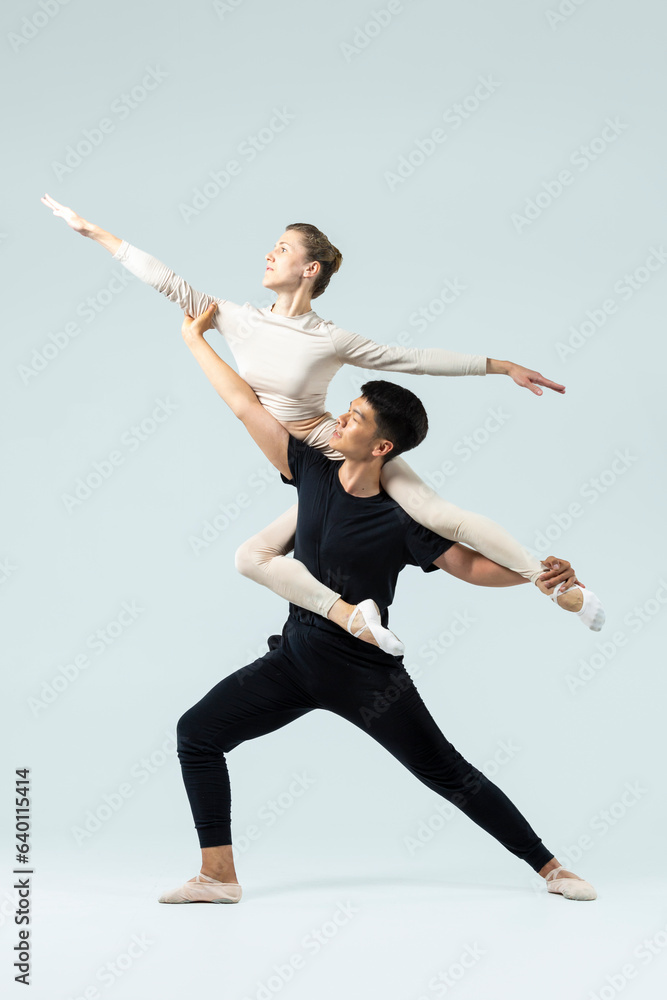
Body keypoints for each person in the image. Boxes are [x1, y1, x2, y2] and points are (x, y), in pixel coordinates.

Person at [157, 306, 597, 904]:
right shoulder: (309, 468)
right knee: (197, 734)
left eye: (356, 416)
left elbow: (469, 565)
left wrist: (535, 576)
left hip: (368, 674)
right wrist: (194, 339)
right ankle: (218, 876)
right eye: (350, 407)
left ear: (381, 444)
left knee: (446, 771)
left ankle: (552, 869)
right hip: (293, 661)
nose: (342, 416)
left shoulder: (402, 518)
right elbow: (243, 404)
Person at [40, 195, 605, 640]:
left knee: (436, 516)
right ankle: (353, 618)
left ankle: (551, 583)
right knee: (251, 557)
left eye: (281, 248)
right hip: (302, 463)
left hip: (337, 448)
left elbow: (411, 359)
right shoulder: (237, 320)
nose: (269, 253)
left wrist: (499, 365)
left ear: (309, 268)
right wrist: (95, 233)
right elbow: (168, 282)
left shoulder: (329, 338)